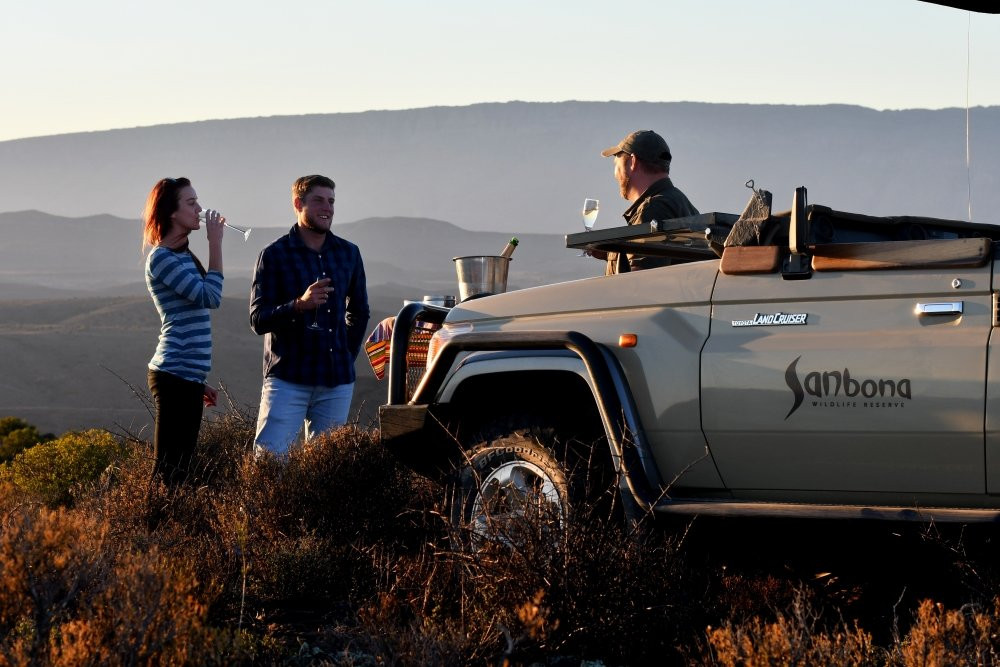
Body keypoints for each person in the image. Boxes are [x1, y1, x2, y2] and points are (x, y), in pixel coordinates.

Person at [250, 174, 370, 456]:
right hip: (288, 378)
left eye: (331, 201)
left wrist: (345, 354)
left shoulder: (349, 254)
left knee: (326, 472)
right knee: (270, 462)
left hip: (336, 382)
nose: (326, 208)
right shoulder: (274, 255)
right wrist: (298, 305)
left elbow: (360, 312)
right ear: (298, 203)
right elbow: (258, 319)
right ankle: (261, 504)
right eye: (318, 200)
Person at [142, 177, 225, 485]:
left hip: (186, 377)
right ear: (171, 212)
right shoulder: (161, 257)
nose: (200, 210)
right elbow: (210, 297)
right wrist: (215, 243)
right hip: (172, 375)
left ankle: (166, 528)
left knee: (182, 469)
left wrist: (198, 380)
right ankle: (151, 530)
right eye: (191, 204)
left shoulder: (182, 256)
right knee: (168, 471)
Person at [595, 129, 699, 274]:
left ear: (632, 162)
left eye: (616, 163)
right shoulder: (677, 201)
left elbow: (638, 283)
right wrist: (610, 253)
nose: (615, 174)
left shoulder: (652, 210)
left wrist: (615, 253)